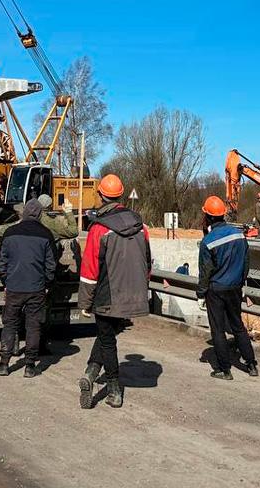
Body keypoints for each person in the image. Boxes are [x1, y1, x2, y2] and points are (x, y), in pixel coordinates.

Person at [78, 174, 151, 410]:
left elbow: (90, 270)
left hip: (107, 293)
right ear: (121, 195)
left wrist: (85, 302)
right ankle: (90, 371)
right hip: (133, 292)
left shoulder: (99, 228)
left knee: (107, 340)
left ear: (100, 195)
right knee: (109, 333)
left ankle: (113, 390)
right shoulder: (141, 225)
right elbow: (147, 261)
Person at [0, 194, 79, 356]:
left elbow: (1, 237)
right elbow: (73, 231)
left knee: (11, 320)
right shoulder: (51, 225)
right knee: (38, 319)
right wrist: (68, 212)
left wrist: (5, 280)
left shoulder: (16, 227)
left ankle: (10, 352)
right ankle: (37, 352)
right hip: (39, 280)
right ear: (45, 209)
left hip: (15, 281)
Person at [197, 196, 259, 380]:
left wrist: (201, 292)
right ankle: (251, 364)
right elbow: (246, 262)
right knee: (238, 326)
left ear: (207, 217)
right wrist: (240, 282)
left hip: (216, 289)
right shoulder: (239, 234)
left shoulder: (208, 241)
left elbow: (205, 271)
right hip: (234, 287)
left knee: (218, 330)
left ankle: (224, 370)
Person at [0, 198, 56, 378]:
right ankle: (30, 366)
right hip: (36, 288)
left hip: (14, 287)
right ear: (39, 214)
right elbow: (51, 265)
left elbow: (1, 262)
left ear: (23, 213)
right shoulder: (46, 234)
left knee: (10, 324)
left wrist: (5, 281)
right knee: (33, 326)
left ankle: (4, 364)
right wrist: (46, 284)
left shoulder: (10, 232)